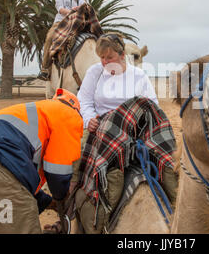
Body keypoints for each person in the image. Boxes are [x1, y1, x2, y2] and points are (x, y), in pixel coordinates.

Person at [66, 33, 178, 234]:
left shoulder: (138, 75)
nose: (104, 62)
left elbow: (152, 105)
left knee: (168, 159)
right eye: (101, 57)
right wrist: (89, 118)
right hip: (102, 128)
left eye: (108, 57)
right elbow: (83, 100)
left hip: (136, 129)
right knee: (77, 166)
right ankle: (71, 212)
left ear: (121, 55)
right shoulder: (95, 72)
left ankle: (177, 202)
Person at [0, 88, 83, 234]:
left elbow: (17, 177)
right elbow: (57, 171)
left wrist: (47, 203)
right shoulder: (70, 115)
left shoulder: (28, 111)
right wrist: (61, 198)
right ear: (76, 109)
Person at [38, 0, 90, 81]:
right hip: (61, 22)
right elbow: (60, 8)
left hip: (77, 23)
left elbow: (87, 10)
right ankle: (45, 69)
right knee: (50, 37)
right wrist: (73, 12)